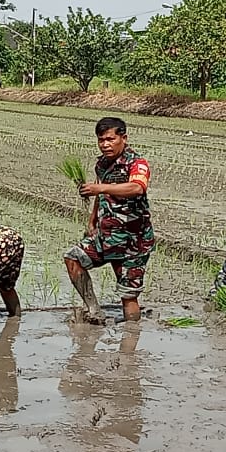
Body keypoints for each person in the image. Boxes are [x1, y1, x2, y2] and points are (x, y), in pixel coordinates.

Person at [64, 117, 154, 323]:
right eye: (101, 140)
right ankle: (93, 309)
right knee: (72, 258)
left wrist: (101, 188)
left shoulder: (136, 163)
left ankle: (130, 344)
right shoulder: (102, 164)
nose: (105, 144)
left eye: (110, 139)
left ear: (124, 138)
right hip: (106, 237)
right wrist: (92, 220)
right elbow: (100, 195)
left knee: (128, 296)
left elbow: (137, 187)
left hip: (133, 241)